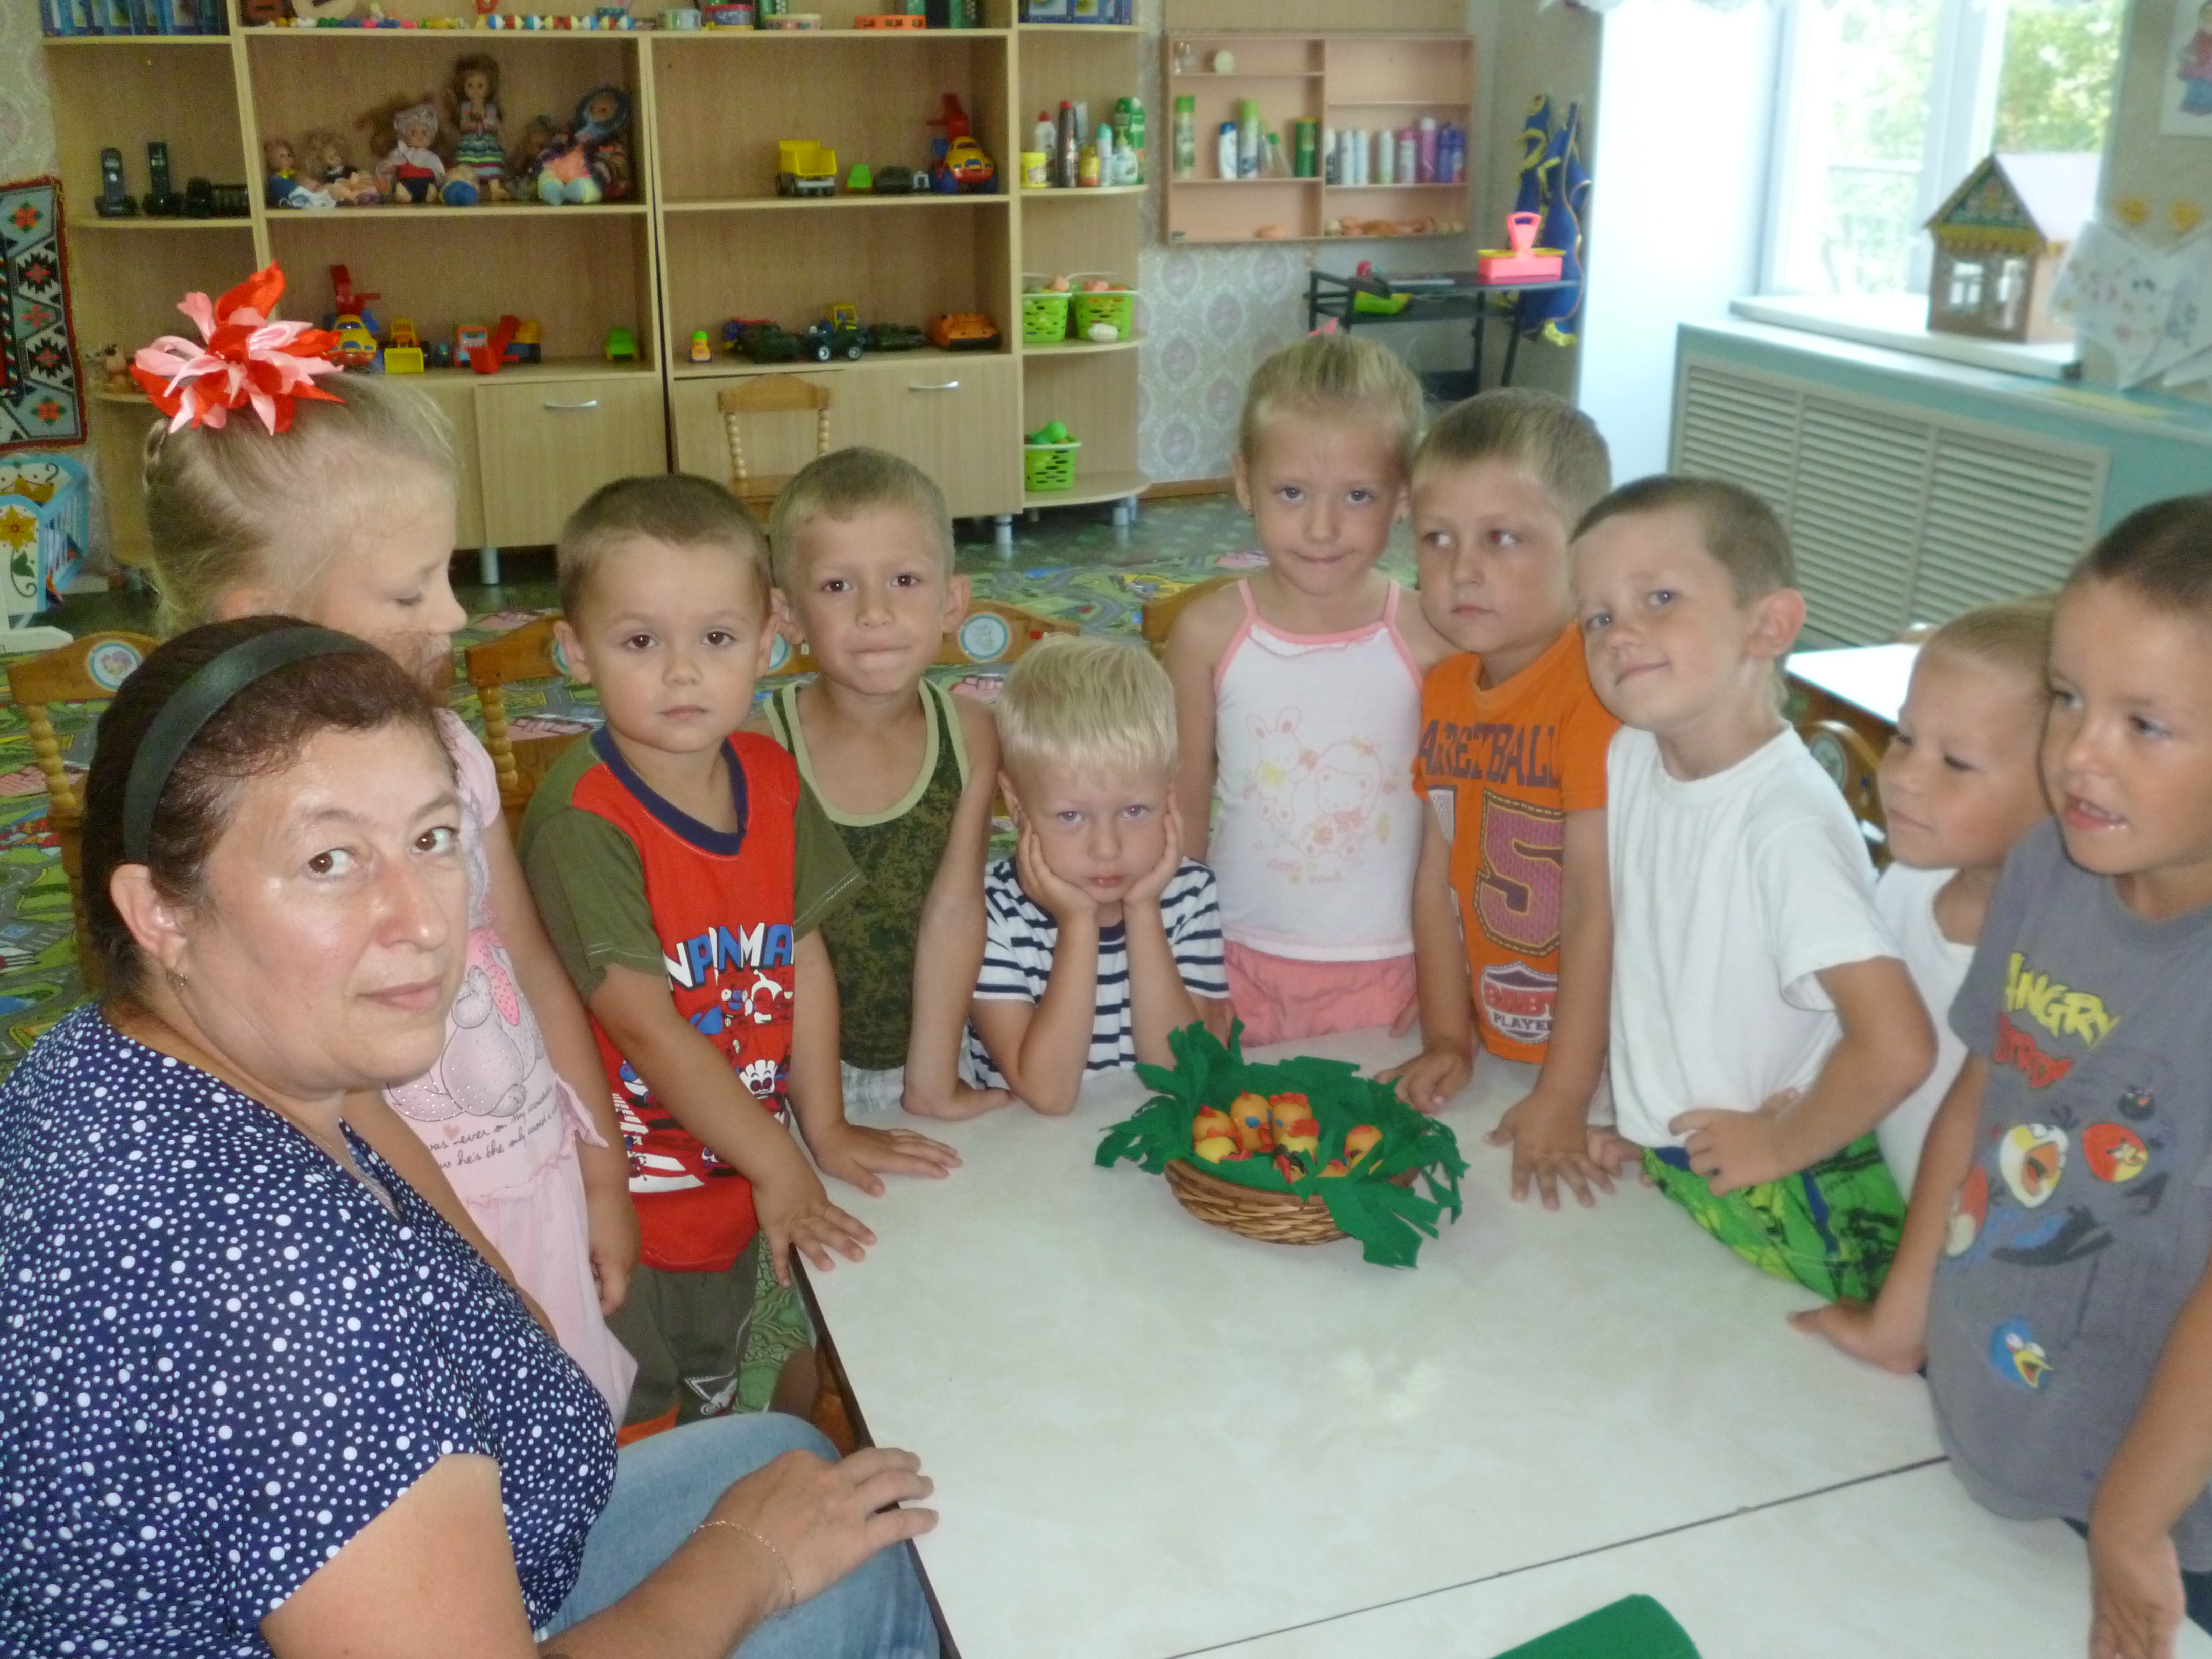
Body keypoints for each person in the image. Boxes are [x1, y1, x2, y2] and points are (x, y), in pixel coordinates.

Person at [0, 615, 938, 1658]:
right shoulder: (271, 1286)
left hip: (486, 1549)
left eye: (434, 839)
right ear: (161, 914)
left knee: (786, 1455)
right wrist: (749, 1562)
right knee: (878, 1571)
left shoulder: (108, 1060)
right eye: (328, 860)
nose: (424, 920)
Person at [137, 271, 636, 1413]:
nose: (456, 616)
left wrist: (600, 1167)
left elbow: (525, 957)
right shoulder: (232, 825)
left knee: (574, 1437)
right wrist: (482, 1284)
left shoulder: (449, 748)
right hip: (412, 1243)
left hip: (533, 1175)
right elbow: (322, 1102)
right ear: (263, 617)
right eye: (412, 593)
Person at [1797, 498, 2212, 1659]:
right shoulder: (2047, 866)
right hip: (2007, 1409)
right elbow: (1984, 1097)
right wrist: (1902, 1321)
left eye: (2145, 723)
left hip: (2167, 1514)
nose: (2078, 752)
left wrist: (2133, 1520)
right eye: (2069, 697)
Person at [520, 474, 955, 1441]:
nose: (683, 673)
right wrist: (781, 1161)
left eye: (716, 639)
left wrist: (823, 1128)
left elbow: (803, 956)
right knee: (637, 1419)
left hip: (736, 1179)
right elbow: (642, 1023)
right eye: (641, 642)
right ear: (574, 650)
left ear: (767, 641)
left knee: (732, 1382)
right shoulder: (584, 820)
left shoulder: (771, 776)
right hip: (623, 1207)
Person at [1573, 475, 1934, 1302]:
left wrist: (1776, 1144)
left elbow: (1897, 1045)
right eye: (1596, 616)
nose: (1620, 633)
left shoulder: (1784, 823)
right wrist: (1650, 1123)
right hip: (1700, 1169)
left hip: (1798, 1196)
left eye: (1660, 598)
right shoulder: (1633, 754)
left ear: (1768, 626)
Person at [1165, 334, 1452, 1048]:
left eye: (1358, 496)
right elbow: (1182, 819)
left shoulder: (1433, 639)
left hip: (1398, 970)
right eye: (1292, 493)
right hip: (1235, 963)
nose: (1322, 528)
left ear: (1404, 496)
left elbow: (1462, 824)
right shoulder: (1207, 635)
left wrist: (1456, 969)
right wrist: (1182, 965)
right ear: (1244, 483)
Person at [1383, 390, 1621, 1210]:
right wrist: (1449, 1036)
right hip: (1506, 1045)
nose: (1462, 571)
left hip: (1611, 1073)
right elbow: (1435, 881)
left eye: (1503, 538)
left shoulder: (1597, 691)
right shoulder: (1445, 689)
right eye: (1437, 539)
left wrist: (1565, 1092)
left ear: (1584, 552)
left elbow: (1596, 906)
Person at [760, 447, 1009, 1123]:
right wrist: (823, 1115)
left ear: (952, 601)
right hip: (793, 1078)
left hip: (942, 1051)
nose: (874, 611)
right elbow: (776, 941)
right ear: (788, 614)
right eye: (837, 586)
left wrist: (932, 1080)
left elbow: (956, 910)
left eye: (904, 579)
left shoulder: (973, 735)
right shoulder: (760, 751)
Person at [967, 635, 1230, 1114]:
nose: (1106, 849)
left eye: (1134, 810)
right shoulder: (990, 912)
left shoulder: (1190, 893)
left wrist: (1144, 910)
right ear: (1017, 804)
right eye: (1071, 816)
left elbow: (1180, 1074)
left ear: (1169, 794)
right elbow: (1049, 1095)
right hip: (1027, 1152)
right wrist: (1078, 926)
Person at [1864, 599, 2054, 1196]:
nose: (1903, 775)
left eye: (1956, 762)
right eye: (1903, 737)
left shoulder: (2059, 972)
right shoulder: (1907, 880)